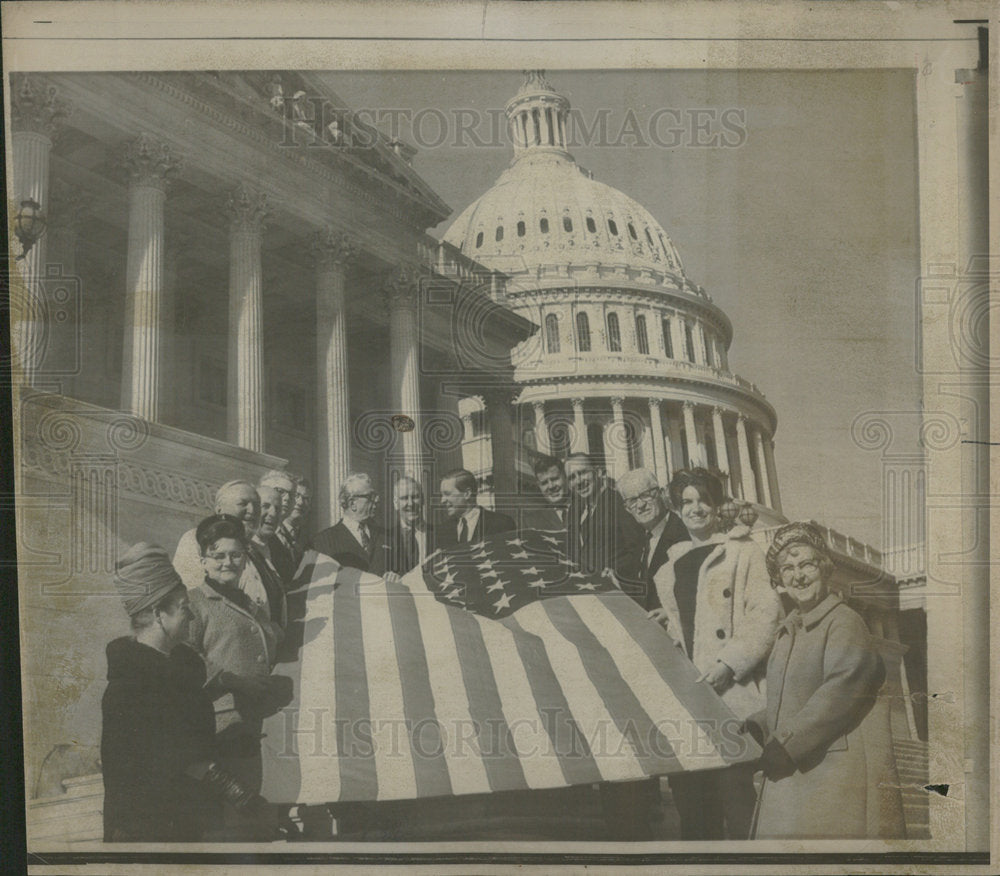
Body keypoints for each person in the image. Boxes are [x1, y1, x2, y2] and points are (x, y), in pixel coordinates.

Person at [101, 542, 274, 842]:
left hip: (185, 822)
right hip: (145, 832)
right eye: (184, 608)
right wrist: (242, 796)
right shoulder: (130, 686)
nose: (192, 617)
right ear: (158, 613)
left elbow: (185, 729)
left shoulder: (180, 669)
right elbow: (175, 755)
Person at [746, 522, 905, 839]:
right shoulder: (788, 632)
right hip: (796, 769)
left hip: (832, 776)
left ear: (824, 568)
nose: (798, 576)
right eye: (788, 569)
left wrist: (786, 743)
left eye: (806, 564)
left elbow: (840, 691)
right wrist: (757, 725)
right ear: (779, 579)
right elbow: (793, 699)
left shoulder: (844, 621)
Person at [650, 467, 782, 840]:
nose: (695, 509)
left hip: (732, 691)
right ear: (676, 510)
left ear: (716, 504)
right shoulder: (669, 568)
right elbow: (685, 626)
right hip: (690, 696)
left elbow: (765, 614)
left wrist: (729, 664)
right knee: (693, 806)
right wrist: (667, 624)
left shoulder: (743, 551)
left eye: (703, 501)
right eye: (686, 502)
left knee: (737, 799)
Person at [186, 515, 294, 838]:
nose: (227, 562)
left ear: (245, 558)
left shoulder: (251, 604)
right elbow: (186, 659)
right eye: (218, 555)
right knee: (233, 826)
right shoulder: (194, 603)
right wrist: (232, 681)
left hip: (259, 727)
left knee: (258, 825)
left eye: (235, 555)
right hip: (222, 729)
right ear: (203, 560)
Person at [615, 467, 689, 610]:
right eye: (632, 500)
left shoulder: (683, 533)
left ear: (661, 493)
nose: (641, 505)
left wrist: (670, 611)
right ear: (627, 509)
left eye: (646, 495)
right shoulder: (643, 539)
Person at [564, 453, 644, 581]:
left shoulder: (617, 501)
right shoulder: (580, 512)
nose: (578, 481)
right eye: (572, 477)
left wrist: (616, 571)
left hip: (620, 586)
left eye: (583, 472)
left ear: (598, 472)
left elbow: (638, 547)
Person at [311, 473, 383, 570]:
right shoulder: (323, 541)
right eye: (370, 496)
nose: (377, 500)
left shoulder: (385, 536)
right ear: (352, 503)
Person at [436, 468, 515, 549]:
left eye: (447, 494)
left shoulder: (501, 524)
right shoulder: (443, 531)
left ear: (467, 494)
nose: (442, 500)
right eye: (442, 495)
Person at [378, 475, 435, 583]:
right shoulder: (383, 539)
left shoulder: (441, 534)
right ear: (396, 503)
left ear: (423, 500)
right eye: (404, 498)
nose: (410, 503)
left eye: (415, 497)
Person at [259, 470, 298, 587]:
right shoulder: (254, 533)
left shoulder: (290, 537)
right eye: (280, 491)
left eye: (292, 495)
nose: (287, 498)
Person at [523, 454, 571, 530]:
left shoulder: (586, 506)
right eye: (544, 483)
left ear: (565, 477)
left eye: (554, 479)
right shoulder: (531, 522)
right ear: (539, 486)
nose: (551, 486)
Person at [277, 475, 311, 574]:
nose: (300, 502)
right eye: (296, 496)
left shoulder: (307, 537)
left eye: (306, 498)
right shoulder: (273, 531)